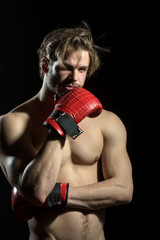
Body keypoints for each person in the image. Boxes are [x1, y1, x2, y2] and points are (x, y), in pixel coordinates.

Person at [0, 22, 133, 240]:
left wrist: (57, 195)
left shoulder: (107, 121)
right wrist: (60, 124)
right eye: (65, 67)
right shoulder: (13, 123)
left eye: (82, 70)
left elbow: (124, 190)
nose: (74, 78)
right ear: (45, 66)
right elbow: (35, 192)